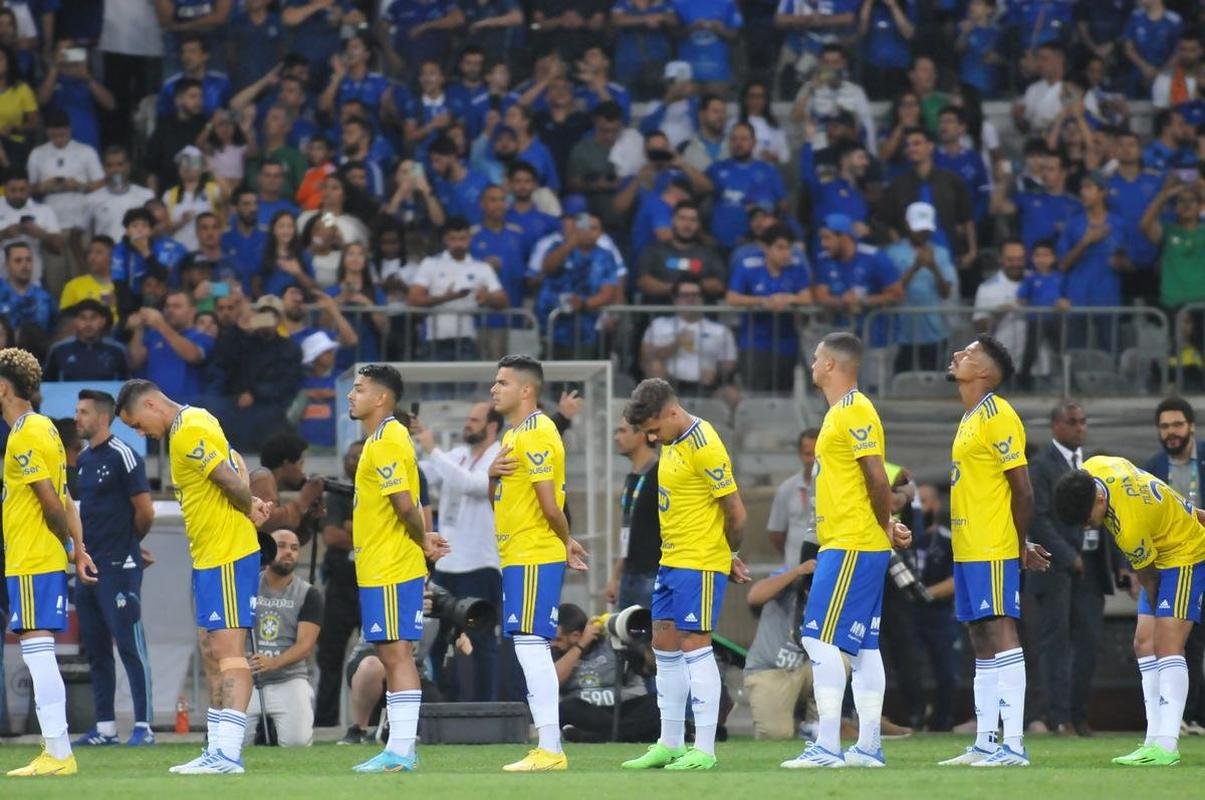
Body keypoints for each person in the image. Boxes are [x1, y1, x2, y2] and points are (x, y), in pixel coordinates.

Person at [116, 379, 271, 774]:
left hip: (228, 553)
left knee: (230, 652)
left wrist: (249, 505)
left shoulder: (189, 430)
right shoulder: (197, 422)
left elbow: (228, 476)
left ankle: (228, 754)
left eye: (137, 425)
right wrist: (249, 500)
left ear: (151, 405)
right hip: (209, 556)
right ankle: (216, 748)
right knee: (213, 650)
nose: (141, 434)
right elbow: (235, 460)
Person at [780, 332, 910, 769]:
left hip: (851, 543)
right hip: (855, 541)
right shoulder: (842, 412)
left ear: (832, 364)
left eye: (817, 358)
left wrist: (883, 523)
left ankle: (827, 746)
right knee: (863, 647)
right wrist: (884, 526)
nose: (812, 364)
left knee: (818, 638)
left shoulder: (854, 409)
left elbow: (877, 476)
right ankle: (869, 746)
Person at [620, 377, 747, 772]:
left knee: (695, 645)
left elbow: (736, 512)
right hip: (671, 560)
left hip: (699, 562)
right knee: (663, 644)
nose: (651, 438)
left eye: (654, 428)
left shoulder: (704, 444)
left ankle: (704, 748)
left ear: (672, 412)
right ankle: (670, 743)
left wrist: (729, 554)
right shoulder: (671, 441)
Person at [940, 336, 1050, 767]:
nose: (958, 355)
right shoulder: (969, 417)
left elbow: (1023, 489)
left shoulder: (999, 415)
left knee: (1002, 630)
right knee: (980, 637)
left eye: (968, 354)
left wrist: (1018, 543)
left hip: (991, 543)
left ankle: (1015, 744)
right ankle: (986, 741)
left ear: (985, 372)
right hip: (967, 545)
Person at [1054, 455, 1205, 767]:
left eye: (1086, 518)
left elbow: (1149, 578)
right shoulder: (1095, 466)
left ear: (1098, 499)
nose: (1085, 526)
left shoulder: (1129, 526)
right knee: (1143, 643)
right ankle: (1152, 739)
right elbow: (1152, 485)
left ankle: (1167, 744)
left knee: (1167, 644)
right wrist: (1190, 511)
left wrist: (1166, 611)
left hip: (1185, 553)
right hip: (1162, 542)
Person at [344, 364, 448, 772]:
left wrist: (421, 540)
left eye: (359, 389)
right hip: (382, 564)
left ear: (381, 398)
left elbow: (404, 504)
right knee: (393, 654)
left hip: (390, 564)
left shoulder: (387, 439)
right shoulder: (384, 438)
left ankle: (401, 749)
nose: (351, 395)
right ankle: (401, 748)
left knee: (397, 654)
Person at [487, 354, 588, 771]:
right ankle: (548, 746)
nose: (494, 389)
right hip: (517, 554)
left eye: (503, 382)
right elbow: (501, 500)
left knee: (531, 646)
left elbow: (550, 505)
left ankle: (550, 747)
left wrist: (565, 541)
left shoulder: (539, 431)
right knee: (527, 646)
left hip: (533, 552)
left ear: (526, 390)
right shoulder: (513, 435)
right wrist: (491, 475)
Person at [0, 348, 97, 777]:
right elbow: (67, 497)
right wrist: (79, 548)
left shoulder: (24, 435)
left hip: (31, 557)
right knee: (38, 653)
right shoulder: (46, 430)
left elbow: (51, 503)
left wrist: (67, 545)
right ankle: (56, 748)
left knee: (38, 655)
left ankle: (58, 752)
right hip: (40, 556)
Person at [70, 389, 155, 746]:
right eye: (77, 411)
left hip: (119, 566)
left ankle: (144, 727)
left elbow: (145, 511)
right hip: (90, 566)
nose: (77, 418)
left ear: (103, 417)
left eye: (83, 412)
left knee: (129, 644)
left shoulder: (124, 455)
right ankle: (105, 727)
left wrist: (128, 545)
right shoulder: (83, 459)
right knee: (96, 648)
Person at [1026, 400, 1116, 736]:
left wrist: (1121, 564)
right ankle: (1058, 717)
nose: (1080, 427)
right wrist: (1067, 555)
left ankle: (1078, 715)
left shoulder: (1094, 465)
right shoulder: (1041, 466)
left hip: (1092, 566)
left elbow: (1111, 515)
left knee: (1089, 642)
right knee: (1056, 643)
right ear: (1056, 426)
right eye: (1073, 421)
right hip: (1054, 567)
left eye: (1083, 421)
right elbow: (1038, 518)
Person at [412, 402, 504, 702]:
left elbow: (473, 485)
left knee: (481, 639)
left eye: (475, 419)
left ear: (492, 426)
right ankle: (443, 705)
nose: (468, 424)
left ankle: (486, 708)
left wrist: (432, 449)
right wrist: (411, 446)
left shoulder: (500, 455)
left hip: (480, 565)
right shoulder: (459, 454)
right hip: (445, 565)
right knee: (436, 639)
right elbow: (424, 474)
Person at [1144, 396, 1205, 734]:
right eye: (1165, 426)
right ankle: (1185, 717)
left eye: (1177, 424)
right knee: (1183, 640)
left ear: (1191, 426)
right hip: (1178, 565)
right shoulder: (1152, 468)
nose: (1171, 432)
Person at [244, 528, 323, 748]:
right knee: (233, 743)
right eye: (281, 546)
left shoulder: (309, 594)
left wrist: (273, 663)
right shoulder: (245, 586)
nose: (289, 552)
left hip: (289, 678)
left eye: (295, 548)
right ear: (268, 550)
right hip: (247, 677)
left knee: (298, 744)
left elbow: (305, 645)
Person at [553, 603, 659, 743]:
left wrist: (647, 641)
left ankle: (597, 737)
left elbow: (651, 668)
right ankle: (633, 734)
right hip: (588, 713)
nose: (553, 643)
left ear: (575, 635)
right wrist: (581, 645)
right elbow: (553, 681)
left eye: (558, 639)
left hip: (624, 708)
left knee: (658, 702)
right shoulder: (556, 652)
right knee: (567, 708)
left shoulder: (614, 642)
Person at [315, 440, 364, 729]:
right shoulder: (337, 495)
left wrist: (351, 527)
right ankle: (325, 724)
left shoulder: (379, 492)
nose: (353, 461)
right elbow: (331, 535)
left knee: (374, 657)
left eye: (359, 456)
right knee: (329, 657)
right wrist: (366, 534)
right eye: (350, 456)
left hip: (370, 586)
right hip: (339, 586)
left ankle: (372, 724)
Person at [744, 557, 818, 740]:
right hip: (771, 670)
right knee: (775, 735)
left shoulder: (829, 590)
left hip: (805, 669)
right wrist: (798, 572)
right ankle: (797, 725)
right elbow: (754, 596)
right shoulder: (788, 580)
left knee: (840, 660)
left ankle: (815, 724)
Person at [884, 201, 957, 371]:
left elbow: (945, 292)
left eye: (925, 230)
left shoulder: (941, 253)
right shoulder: (892, 253)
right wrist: (915, 267)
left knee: (933, 381)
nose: (922, 234)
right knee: (900, 379)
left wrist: (934, 267)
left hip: (935, 332)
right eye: (918, 229)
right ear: (907, 225)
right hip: (901, 334)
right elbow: (892, 291)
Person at [640, 275, 738, 401]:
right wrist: (675, 344)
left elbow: (729, 364)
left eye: (695, 295)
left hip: (708, 384)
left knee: (732, 395)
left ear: (702, 299)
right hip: (670, 384)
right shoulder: (659, 325)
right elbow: (645, 357)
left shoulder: (720, 330)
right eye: (685, 295)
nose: (691, 299)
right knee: (655, 366)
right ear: (675, 300)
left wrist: (717, 374)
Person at [604, 416, 661, 611]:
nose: (616, 437)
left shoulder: (660, 474)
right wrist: (616, 576)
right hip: (629, 577)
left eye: (622, 431)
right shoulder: (632, 478)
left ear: (642, 435)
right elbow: (627, 530)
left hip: (652, 576)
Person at [126, 291, 214, 407]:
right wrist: (138, 330)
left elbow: (192, 356)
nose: (170, 310)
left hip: (188, 406)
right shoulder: (153, 335)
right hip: (154, 406)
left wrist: (161, 325)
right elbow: (135, 362)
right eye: (167, 306)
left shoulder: (202, 336)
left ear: (192, 311)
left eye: (176, 306)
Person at [247, 432, 325, 538]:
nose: (303, 473)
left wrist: (308, 519)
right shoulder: (263, 477)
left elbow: (281, 539)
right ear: (286, 463)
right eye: (300, 463)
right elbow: (264, 522)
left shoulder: (271, 484)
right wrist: (303, 502)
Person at [767, 429, 820, 569]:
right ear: (800, 455)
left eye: (818, 454)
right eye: (808, 454)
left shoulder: (836, 488)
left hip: (825, 569)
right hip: (795, 571)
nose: (813, 459)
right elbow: (776, 533)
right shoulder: (787, 488)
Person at [43, 299, 128, 382]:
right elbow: (47, 384)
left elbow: (126, 383)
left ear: (103, 321)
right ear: (75, 321)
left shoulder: (117, 351)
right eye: (82, 318)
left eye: (93, 318)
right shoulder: (59, 350)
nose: (88, 323)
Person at [85, 146, 155, 244]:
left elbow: (155, 229)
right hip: (107, 252)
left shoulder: (146, 195)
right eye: (110, 165)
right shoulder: (92, 199)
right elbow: (87, 235)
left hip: (137, 251)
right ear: (104, 168)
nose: (115, 169)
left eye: (119, 164)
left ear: (128, 166)